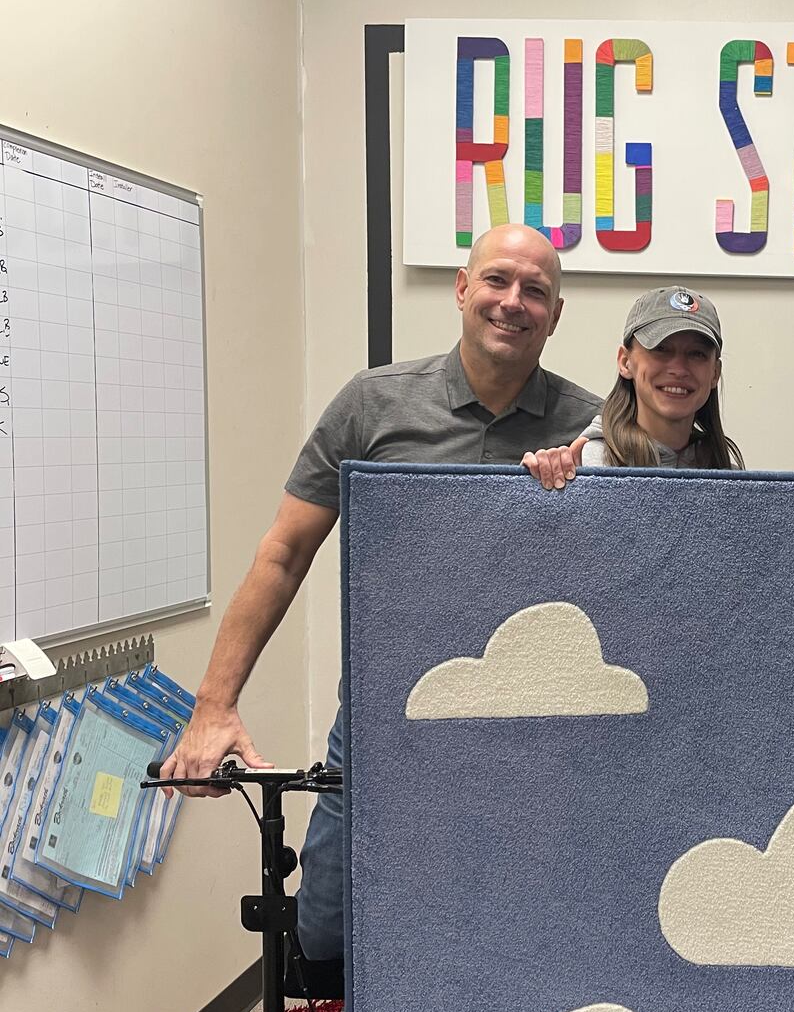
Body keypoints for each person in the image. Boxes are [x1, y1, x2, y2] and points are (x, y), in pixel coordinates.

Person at [161, 223, 601, 966]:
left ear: (556, 316)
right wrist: (213, 707)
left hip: (535, 730)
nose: (513, 302)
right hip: (381, 717)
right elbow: (284, 553)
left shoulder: (590, 425)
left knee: (519, 932)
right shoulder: (374, 404)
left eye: (536, 291)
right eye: (496, 280)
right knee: (328, 935)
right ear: (462, 289)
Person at [523, 285, 741, 488]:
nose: (679, 369)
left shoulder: (729, 476)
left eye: (696, 354)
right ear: (625, 362)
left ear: (715, 373)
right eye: (660, 349)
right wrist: (535, 484)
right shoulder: (584, 467)